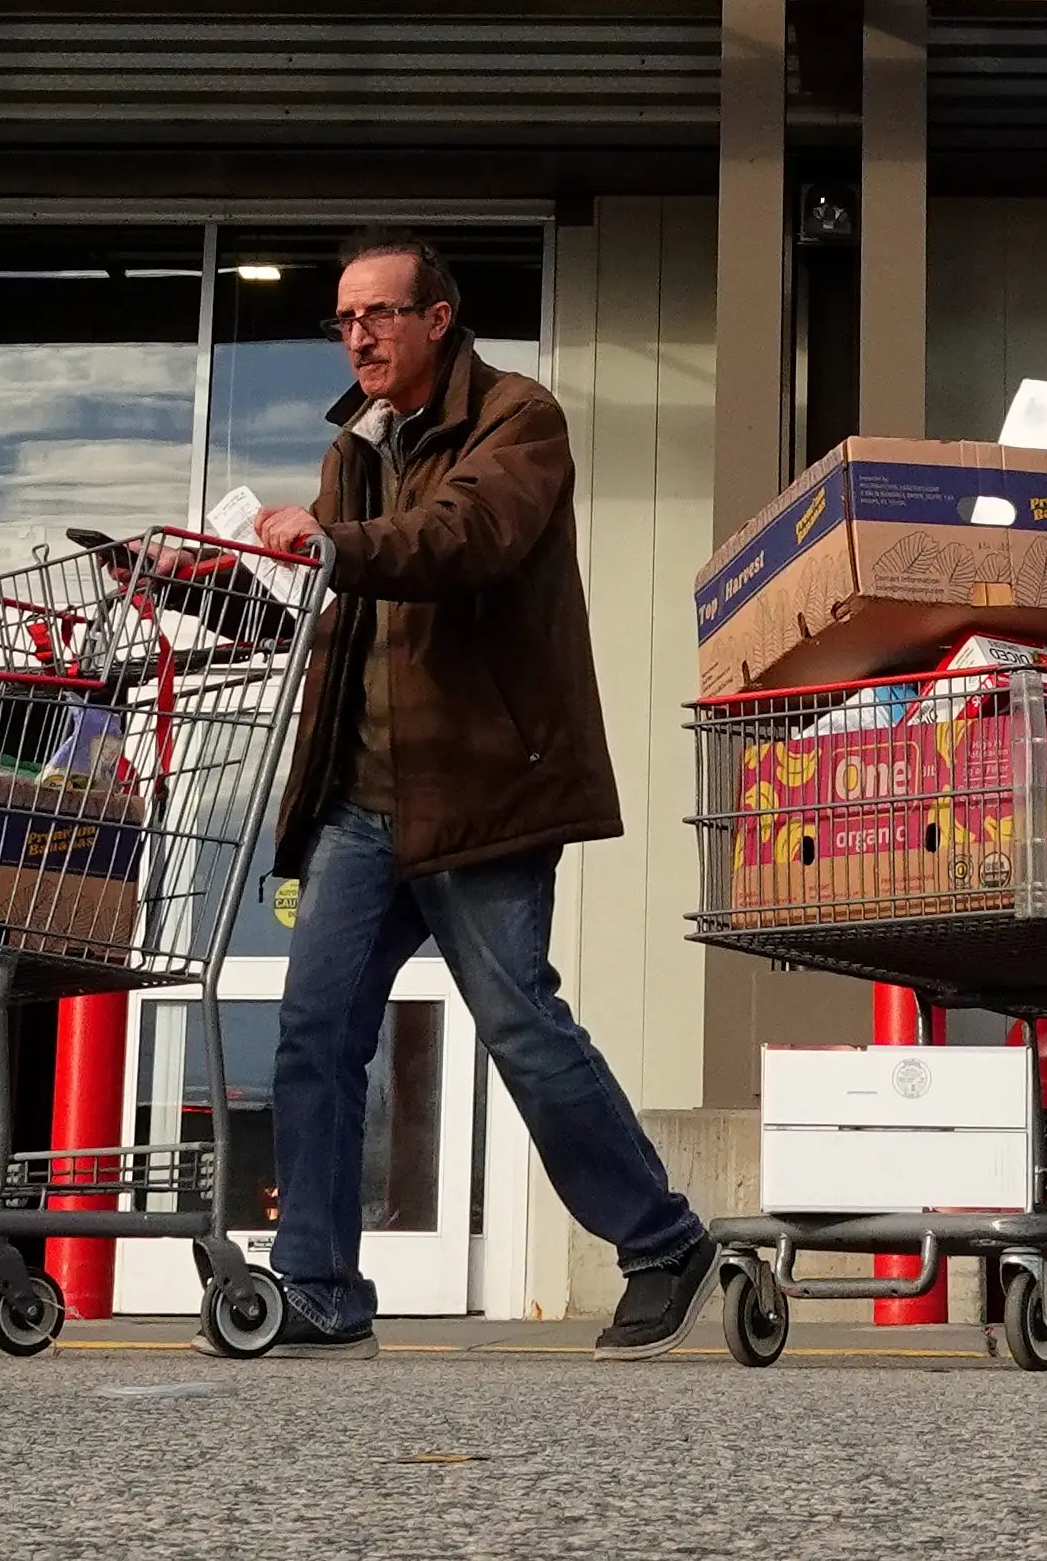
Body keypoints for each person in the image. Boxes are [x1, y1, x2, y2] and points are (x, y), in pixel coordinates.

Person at [239, 233, 711, 1358]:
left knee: (519, 1027)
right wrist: (226, 586)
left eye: (379, 314)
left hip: (481, 786)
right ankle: (315, 1285)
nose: (357, 335)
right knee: (314, 1032)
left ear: (437, 317)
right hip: (362, 797)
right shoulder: (353, 450)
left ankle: (662, 1242)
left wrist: (335, 543)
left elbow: (464, 538)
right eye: (343, 318)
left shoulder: (518, 417)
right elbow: (342, 602)